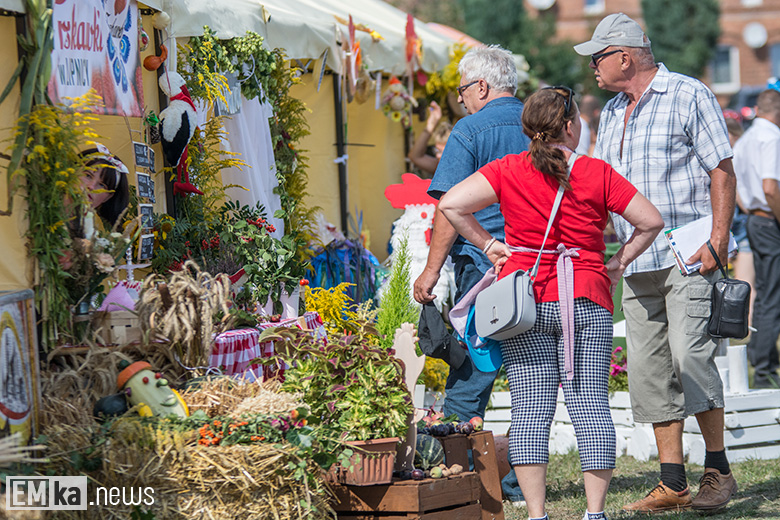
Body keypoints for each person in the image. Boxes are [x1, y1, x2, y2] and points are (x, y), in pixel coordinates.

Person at [438, 87, 662, 520]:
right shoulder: (597, 172)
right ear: (572, 126)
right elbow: (650, 221)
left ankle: (537, 513)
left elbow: (450, 203)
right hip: (587, 295)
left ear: (528, 130)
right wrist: (616, 263)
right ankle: (594, 513)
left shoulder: (508, 170)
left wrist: (489, 246)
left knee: (530, 407)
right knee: (590, 403)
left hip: (526, 299)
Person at [575, 13, 738, 513]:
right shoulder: (612, 111)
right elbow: (605, 187)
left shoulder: (688, 94)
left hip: (688, 253)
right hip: (635, 259)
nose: (593, 69)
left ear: (624, 56)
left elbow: (721, 169)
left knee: (692, 359)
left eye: (598, 58)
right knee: (647, 370)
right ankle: (673, 482)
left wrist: (717, 239)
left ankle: (718, 471)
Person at [411, 45, 530, 507]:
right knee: (530, 377)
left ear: (482, 86)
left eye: (463, 92)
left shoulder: (470, 129)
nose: (462, 101)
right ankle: (520, 482)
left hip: (486, 267)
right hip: (538, 266)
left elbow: (448, 207)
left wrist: (431, 270)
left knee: (473, 371)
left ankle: (455, 477)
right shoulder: (539, 123)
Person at [733, 89, 780, 389]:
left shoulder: (748, 137)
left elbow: (735, 183)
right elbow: (771, 188)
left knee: (764, 294)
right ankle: (764, 370)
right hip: (768, 218)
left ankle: (761, 360)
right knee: (773, 296)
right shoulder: (771, 137)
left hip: (752, 217)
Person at [80, 144, 131, 229]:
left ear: (108, 197)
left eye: (102, 185)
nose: (91, 187)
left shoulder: (99, 233)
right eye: (88, 176)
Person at [407, 100, 452, 177]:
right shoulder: (440, 167)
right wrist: (431, 126)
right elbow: (415, 156)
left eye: (442, 152)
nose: (437, 156)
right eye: (437, 151)